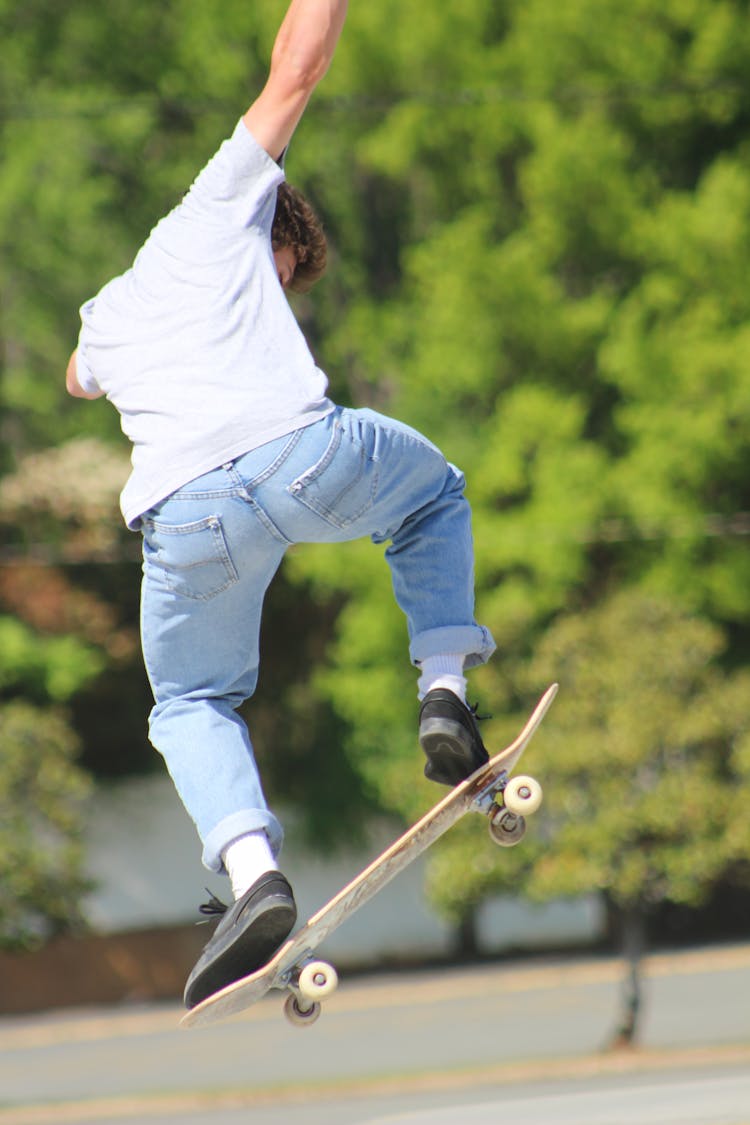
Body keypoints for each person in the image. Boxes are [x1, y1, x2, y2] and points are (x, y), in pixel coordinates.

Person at [66, 0, 495, 1009]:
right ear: (275, 226)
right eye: (287, 281)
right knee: (435, 495)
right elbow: (297, 65)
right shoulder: (225, 202)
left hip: (183, 520)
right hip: (302, 457)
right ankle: (444, 692)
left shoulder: (109, 310)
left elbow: (80, 376)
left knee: (190, 702)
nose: (284, 301)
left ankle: (252, 873)